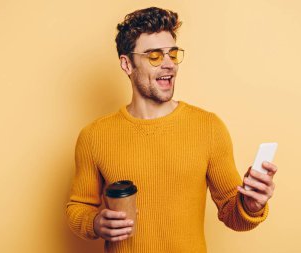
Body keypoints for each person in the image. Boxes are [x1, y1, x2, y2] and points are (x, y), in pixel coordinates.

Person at [66, 6, 278, 253]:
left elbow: (233, 215)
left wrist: (250, 205)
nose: (169, 65)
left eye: (173, 54)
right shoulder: (94, 136)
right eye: (154, 56)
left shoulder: (208, 127)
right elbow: (77, 207)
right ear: (127, 64)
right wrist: (95, 222)